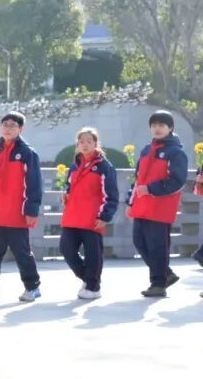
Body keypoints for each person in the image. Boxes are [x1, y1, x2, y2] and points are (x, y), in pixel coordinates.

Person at [0, 112, 43, 302]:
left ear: (21, 129)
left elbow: (34, 184)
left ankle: (32, 287)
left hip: (16, 213)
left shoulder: (28, 153)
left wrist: (31, 210)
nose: (8, 128)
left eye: (13, 125)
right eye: (5, 124)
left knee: (22, 253)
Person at [127, 110, 188, 298]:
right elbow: (137, 178)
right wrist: (130, 201)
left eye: (161, 125)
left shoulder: (176, 153)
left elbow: (177, 181)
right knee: (139, 242)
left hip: (161, 208)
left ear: (170, 128)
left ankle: (158, 284)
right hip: (142, 205)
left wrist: (151, 189)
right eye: (154, 125)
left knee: (157, 247)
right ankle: (166, 274)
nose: (157, 128)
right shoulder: (147, 149)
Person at [59, 128, 119, 300]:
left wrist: (104, 216)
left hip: (93, 217)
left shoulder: (104, 166)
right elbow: (70, 186)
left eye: (89, 141)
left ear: (96, 143)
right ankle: (88, 279)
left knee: (93, 254)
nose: (84, 145)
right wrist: (66, 194)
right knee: (66, 249)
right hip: (72, 216)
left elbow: (111, 195)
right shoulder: (75, 165)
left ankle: (93, 287)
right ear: (77, 145)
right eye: (81, 142)